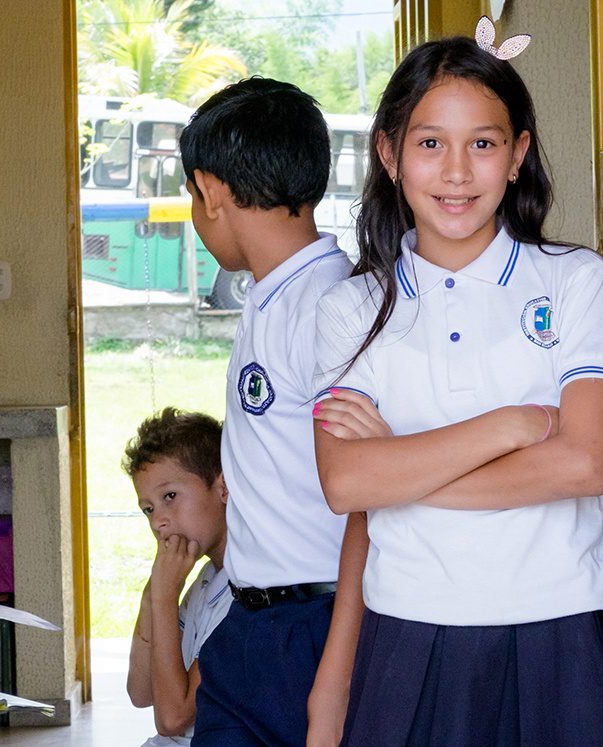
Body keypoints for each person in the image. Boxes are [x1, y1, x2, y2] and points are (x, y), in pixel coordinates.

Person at [310, 30, 603, 746]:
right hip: (408, 639)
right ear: (389, 154)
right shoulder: (350, 310)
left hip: (560, 637)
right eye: (430, 144)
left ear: (518, 154)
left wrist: (400, 467)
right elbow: (345, 482)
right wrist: (510, 425)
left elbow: (584, 463)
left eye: (483, 145)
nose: (457, 172)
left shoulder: (576, 283)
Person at [176, 77, 355, 747]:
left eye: (193, 197)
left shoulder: (330, 307)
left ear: (211, 190)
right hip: (249, 626)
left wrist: (334, 673)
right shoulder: (270, 297)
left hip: (314, 626)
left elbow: (366, 502)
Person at [125, 408, 232, 747]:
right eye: (149, 508)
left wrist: (164, 597)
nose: (158, 522)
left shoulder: (248, 590)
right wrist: (151, 600)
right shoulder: (204, 579)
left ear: (223, 486)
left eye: (170, 496)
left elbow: (172, 719)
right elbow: (141, 693)